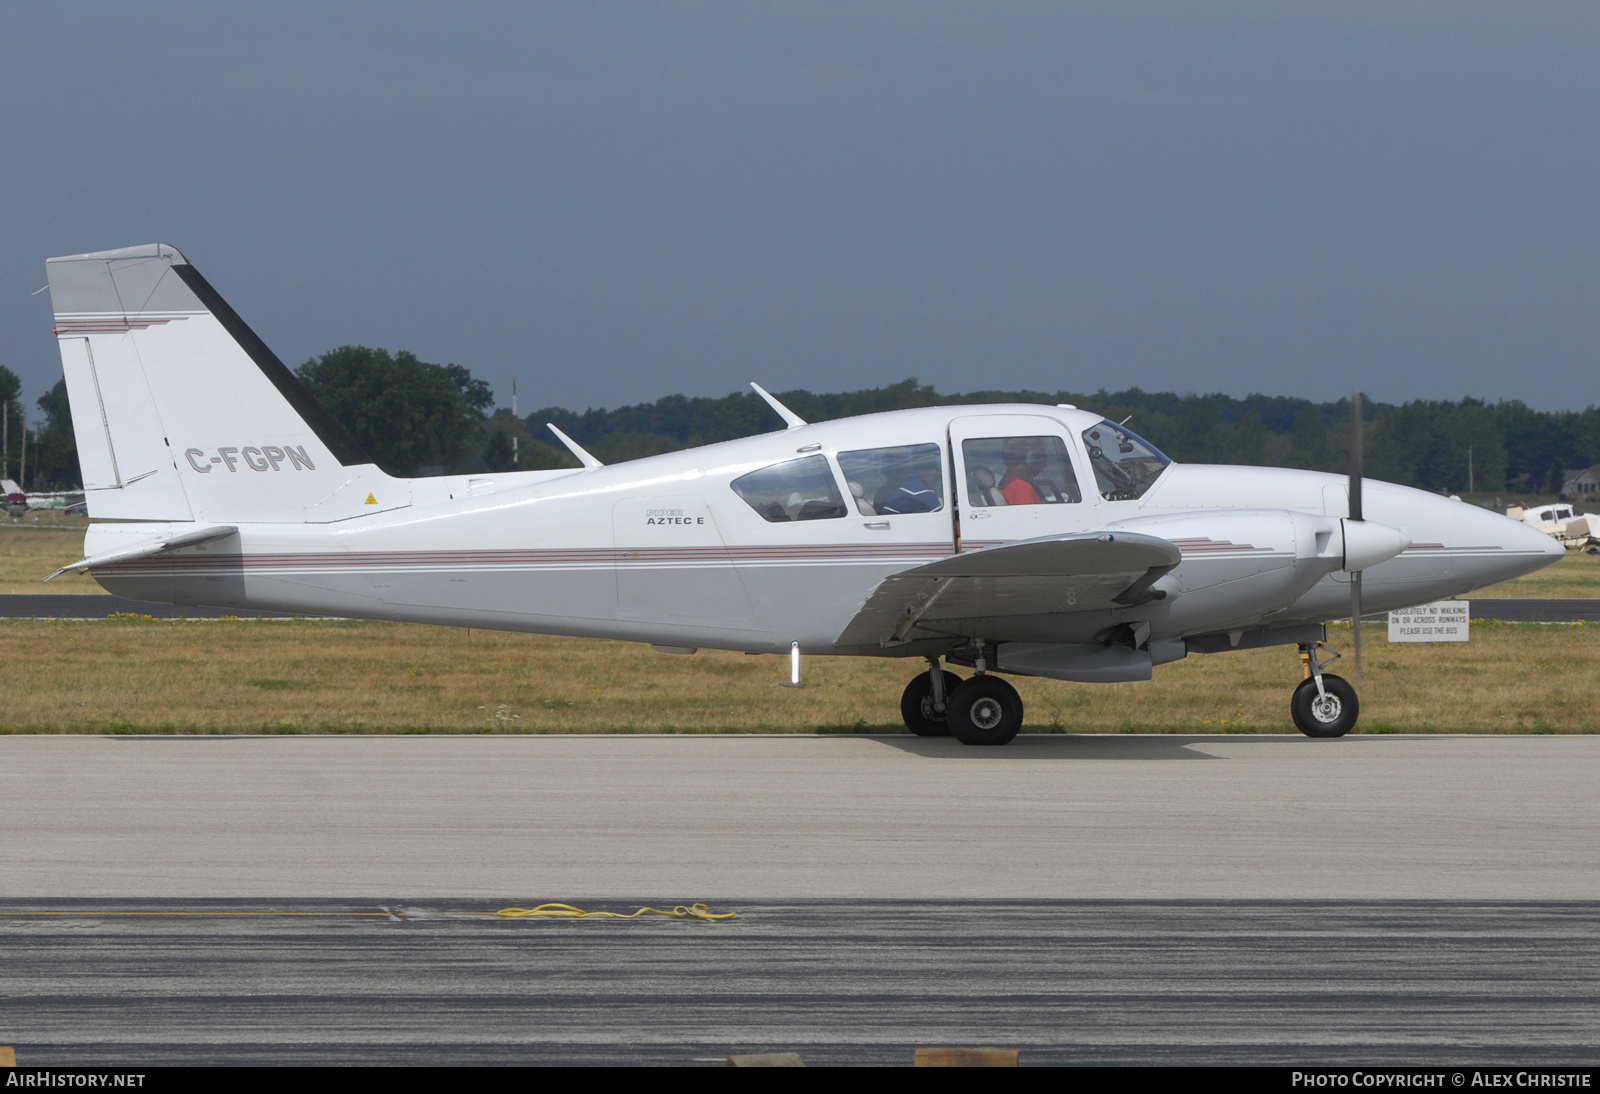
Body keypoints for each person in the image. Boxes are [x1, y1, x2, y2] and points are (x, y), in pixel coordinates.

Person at [998, 439, 1045, 506]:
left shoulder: (1009, 481)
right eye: (1039, 457)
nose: (1044, 464)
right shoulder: (1022, 488)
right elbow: (1030, 515)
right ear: (1029, 458)